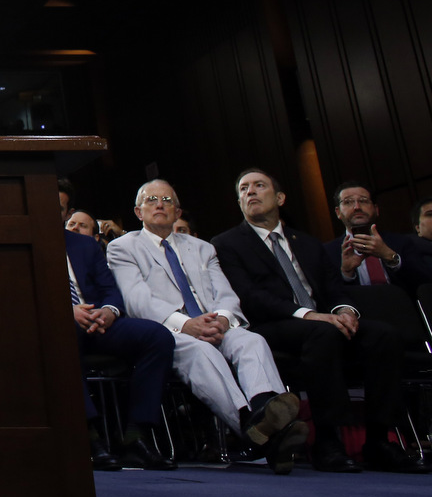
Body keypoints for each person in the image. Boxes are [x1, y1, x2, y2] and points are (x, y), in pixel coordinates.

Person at [211, 169, 425, 473]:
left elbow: (333, 288)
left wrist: (345, 310)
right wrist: (309, 315)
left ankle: (380, 440)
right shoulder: (226, 243)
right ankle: (328, 441)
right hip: (273, 326)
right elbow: (249, 296)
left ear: (280, 198)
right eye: (244, 189)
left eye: (259, 186)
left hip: (322, 323)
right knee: (321, 334)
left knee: (383, 335)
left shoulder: (308, 243)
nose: (251, 192)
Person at [107, 179, 307, 474]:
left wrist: (224, 319)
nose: (159, 204)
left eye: (167, 200)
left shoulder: (203, 249)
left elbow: (225, 293)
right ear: (138, 212)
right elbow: (138, 301)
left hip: (214, 324)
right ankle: (253, 427)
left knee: (252, 341)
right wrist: (188, 324)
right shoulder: (122, 248)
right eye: (151, 200)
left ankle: (265, 410)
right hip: (170, 331)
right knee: (202, 353)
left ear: (178, 212)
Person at [59, 213, 176, 471]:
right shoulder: (21, 241)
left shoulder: (85, 245)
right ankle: (88, 437)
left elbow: (109, 289)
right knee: (60, 336)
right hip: (58, 327)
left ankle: (136, 437)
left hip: (98, 322)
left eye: (60, 207)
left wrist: (109, 311)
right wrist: (66, 311)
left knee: (157, 337)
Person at [322, 181, 431, 296]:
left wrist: (391, 258)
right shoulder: (327, 252)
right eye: (348, 202)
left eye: (363, 201)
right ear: (338, 212)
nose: (357, 207)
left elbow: (425, 284)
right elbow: (328, 296)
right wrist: (347, 273)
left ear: (376, 209)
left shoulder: (402, 242)